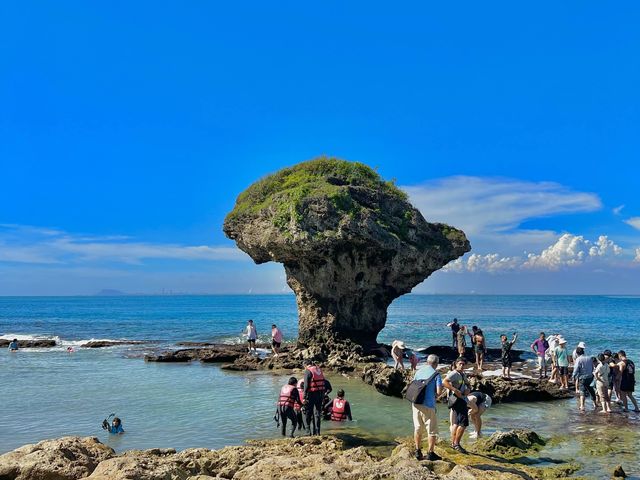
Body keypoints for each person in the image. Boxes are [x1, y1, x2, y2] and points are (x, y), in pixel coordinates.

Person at [412, 354, 443, 461]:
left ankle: (417, 451)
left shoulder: (419, 371)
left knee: (418, 427)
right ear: (436, 364)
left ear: (427, 362)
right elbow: (439, 392)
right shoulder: (436, 374)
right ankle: (430, 453)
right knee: (432, 430)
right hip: (428, 405)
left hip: (416, 403)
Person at [443, 357, 470, 453]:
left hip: (460, 399)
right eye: (460, 364)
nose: (462, 366)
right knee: (463, 423)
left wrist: (468, 389)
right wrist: (455, 390)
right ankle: (456, 444)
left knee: (456, 423)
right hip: (457, 399)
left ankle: (453, 443)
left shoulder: (462, 374)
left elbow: (468, 384)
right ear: (456, 364)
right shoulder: (454, 373)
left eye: (463, 364)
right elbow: (444, 382)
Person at [303, 360, 327, 435]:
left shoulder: (308, 371)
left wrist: (304, 397)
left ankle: (308, 432)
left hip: (312, 394)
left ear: (306, 365)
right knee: (317, 413)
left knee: (308, 412)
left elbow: (306, 386)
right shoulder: (319, 369)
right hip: (320, 393)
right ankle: (317, 432)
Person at [572, 347, 596, 412]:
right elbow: (592, 367)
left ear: (577, 353)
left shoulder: (578, 359)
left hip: (582, 377)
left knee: (582, 391)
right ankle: (595, 404)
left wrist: (573, 376)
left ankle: (582, 406)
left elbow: (576, 369)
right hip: (590, 377)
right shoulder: (590, 358)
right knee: (591, 391)